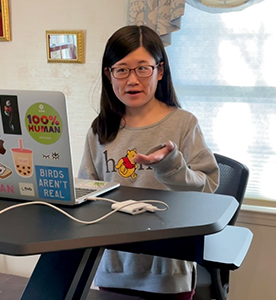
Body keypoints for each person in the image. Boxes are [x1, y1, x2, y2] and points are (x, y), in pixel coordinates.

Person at [78, 25, 219, 300]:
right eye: (122, 69)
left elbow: (209, 188)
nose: (132, 80)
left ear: (160, 71)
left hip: (168, 269)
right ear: (109, 75)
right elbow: (86, 190)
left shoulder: (183, 124)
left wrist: (170, 167)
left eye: (143, 68)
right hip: (113, 265)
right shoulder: (100, 129)